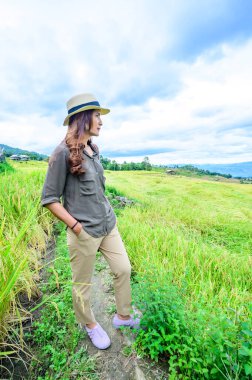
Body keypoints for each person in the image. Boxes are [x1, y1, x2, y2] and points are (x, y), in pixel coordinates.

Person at [41, 93, 140, 350]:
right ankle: (90, 324)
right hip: (84, 232)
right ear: (83, 118)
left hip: (108, 224)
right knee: (82, 285)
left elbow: (98, 189)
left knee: (123, 269)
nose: (101, 121)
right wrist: (76, 227)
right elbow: (50, 199)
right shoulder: (61, 153)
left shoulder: (93, 148)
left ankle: (123, 317)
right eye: (97, 116)